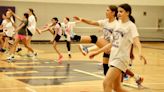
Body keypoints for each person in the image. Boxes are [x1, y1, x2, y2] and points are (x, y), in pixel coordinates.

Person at [89, 3, 146, 92]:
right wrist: (97, 52)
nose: (118, 13)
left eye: (121, 11)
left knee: (106, 83)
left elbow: (136, 40)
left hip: (121, 58)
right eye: (118, 11)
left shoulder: (131, 26)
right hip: (113, 57)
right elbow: (112, 43)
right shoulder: (118, 24)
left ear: (127, 13)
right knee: (117, 87)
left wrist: (140, 52)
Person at [73, 5, 118, 75]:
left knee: (94, 38)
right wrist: (82, 19)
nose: (105, 12)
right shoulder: (105, 21)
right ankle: (136, 77)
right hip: (106, 47)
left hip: (113, 47)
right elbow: (92, 22)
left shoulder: (117, 24)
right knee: (106, 70)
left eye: (107, 10)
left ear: (113, 13)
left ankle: (77, 38)